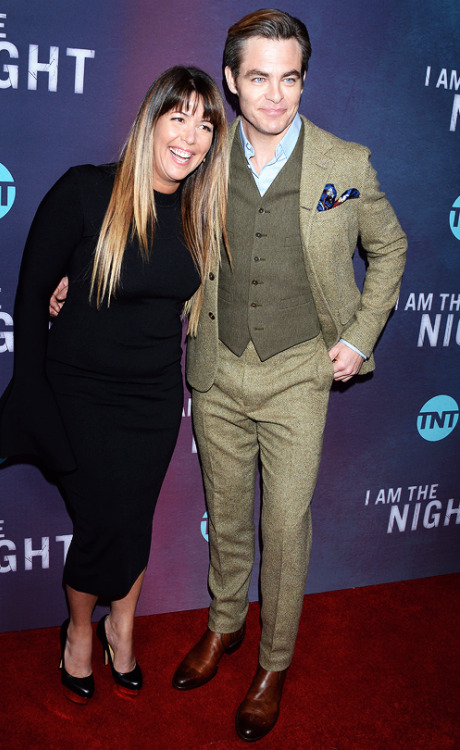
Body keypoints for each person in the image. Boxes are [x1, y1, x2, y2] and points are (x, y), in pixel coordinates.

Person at [170, 9, 407, 742]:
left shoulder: (346, 163)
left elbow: (391, 250)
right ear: (233, 83)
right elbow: (148, 228)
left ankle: (273, 664)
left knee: (285, 525)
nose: (276, 95)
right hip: (216, 368)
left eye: (291, 77)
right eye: (260, 78)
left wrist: (360, 337)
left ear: (303, 80)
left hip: (302, 374)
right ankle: (223, 626)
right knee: (229, 514)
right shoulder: (199, 156)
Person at [0, 65, 229, 705]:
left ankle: (123, 627)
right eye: (179, 117)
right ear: (150, 121)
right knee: (100, 524)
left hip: (153, 398)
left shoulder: (202, 211)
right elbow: (34, 295)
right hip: (78, 393)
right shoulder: (86, 192)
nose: (191, 136)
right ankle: (80, 633)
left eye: (205, 124)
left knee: (133, 519)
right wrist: (31, 395)